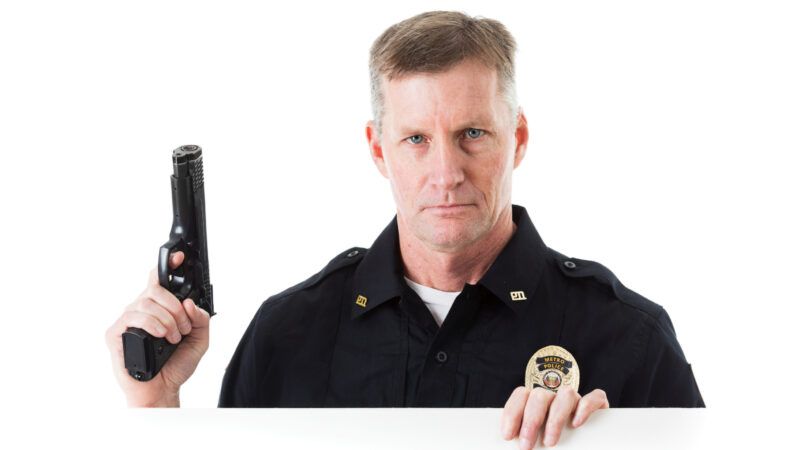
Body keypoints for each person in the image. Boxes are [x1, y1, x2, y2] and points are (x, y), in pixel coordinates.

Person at [106, 10, 704, 449]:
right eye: (416, 139)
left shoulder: (628, 338)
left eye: (472, 134)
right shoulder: (287, 336)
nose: (445, 175)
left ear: (517, 138)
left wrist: (615, 442)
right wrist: (156, 408)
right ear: (378, 149)